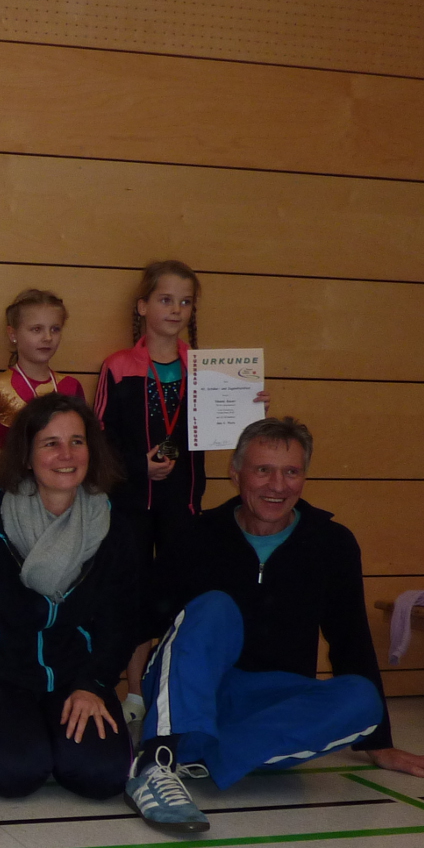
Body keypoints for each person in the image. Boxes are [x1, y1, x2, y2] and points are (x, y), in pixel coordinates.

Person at [125, 416, 424, 831]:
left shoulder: (332, 543)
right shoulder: (194, 535)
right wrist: (130, 699)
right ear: (236, 473)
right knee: (214, 607)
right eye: (263, 470)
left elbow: (350, 639)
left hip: (271, 701)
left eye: (291, 472)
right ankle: (157, 760)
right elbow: (142, 623)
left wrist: (380, 744)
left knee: (362, 700)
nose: (277, 485)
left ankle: (200, 754)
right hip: (195, 689)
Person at [0, 394, 137, 802]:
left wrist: (92, 684)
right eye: (51, 443)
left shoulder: (113, 525)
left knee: (102, 776)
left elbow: (122, 618)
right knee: (14, 773)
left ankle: (55, 737)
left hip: (75, 675)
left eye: (77, 441)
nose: (67, 455)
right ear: (27, 456)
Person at [94, 260, 268, 722]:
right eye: (165, 299)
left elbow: (230, 432)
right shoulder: (118, 367)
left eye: (185, 302)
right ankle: (134, 694)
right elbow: (99, 439)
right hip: (129, 504)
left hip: (184, 501)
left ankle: (173, 691)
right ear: (142, 306)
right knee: (134, 598)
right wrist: (139, 467)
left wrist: (249, 407)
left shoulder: (207, 370)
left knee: (180, 597)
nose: (176, 309)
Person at [0, 288, 84, 497]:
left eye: (55, 329)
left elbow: (85, 444)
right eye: (36, 329)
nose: (47, 337)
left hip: (63, 495)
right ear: (13, 334)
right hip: (13, 494)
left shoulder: (71, 386)